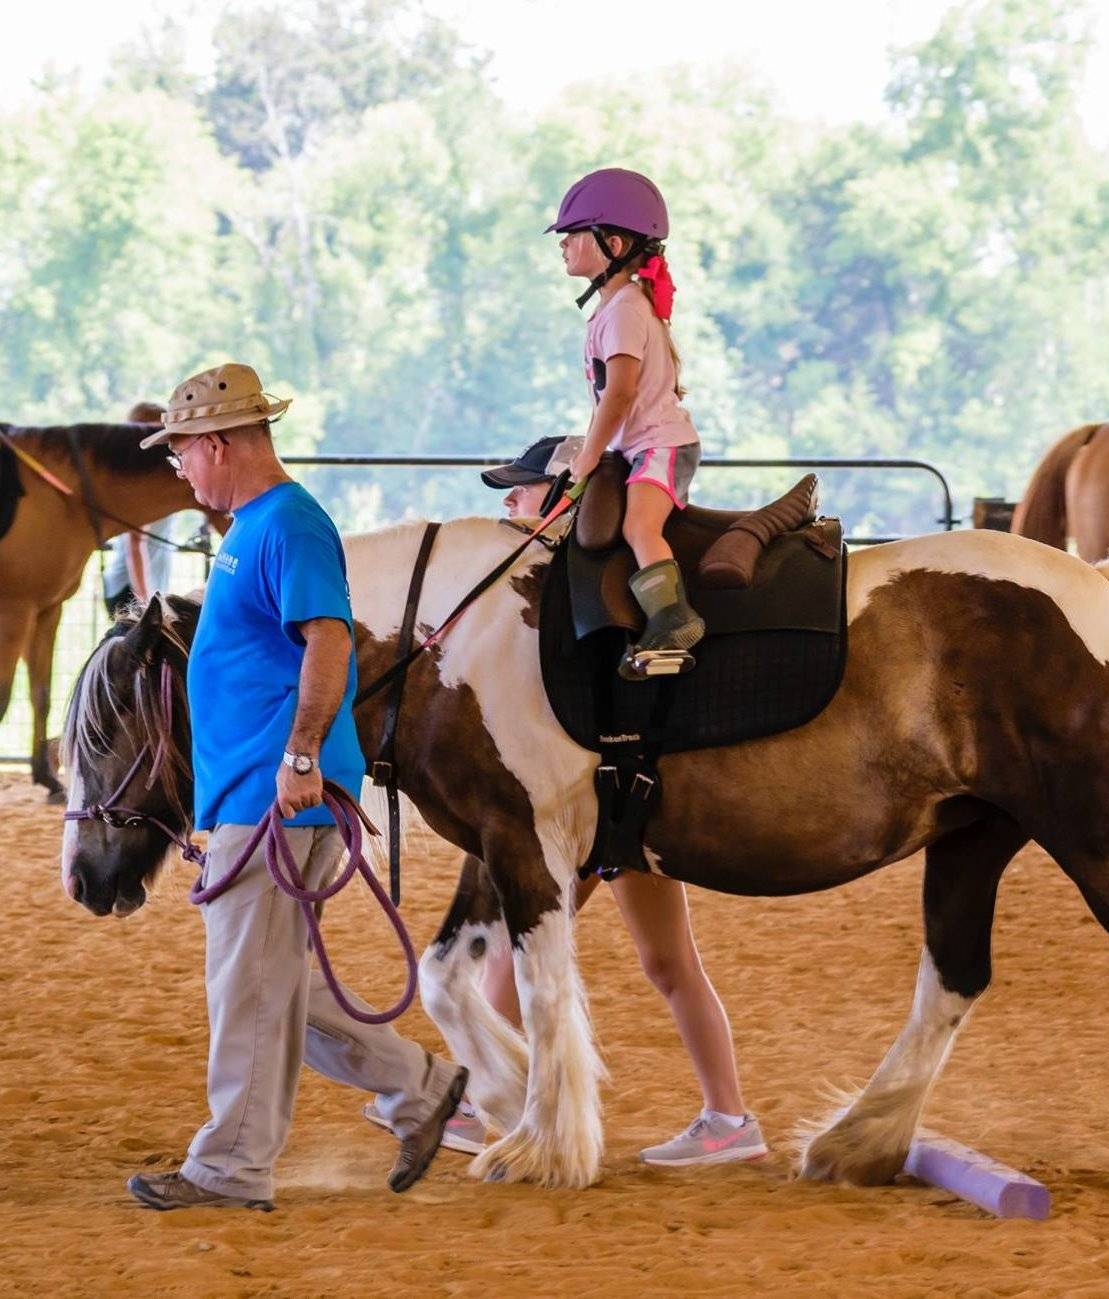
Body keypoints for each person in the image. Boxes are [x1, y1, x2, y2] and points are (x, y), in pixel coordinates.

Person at [125, 363, 466, 1212]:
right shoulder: (254, 526)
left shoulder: (288, 524)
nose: (178, 469)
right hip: (257, 789)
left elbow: (330, 639)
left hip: (276, 793)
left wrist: (302, 756)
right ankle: (420, 1086)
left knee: (247, 986)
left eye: (181, 452)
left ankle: (229, 1168)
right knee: (278, 983)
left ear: (218, 443)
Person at [378, 434, 766, 1168]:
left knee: (523, 953)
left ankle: (467, 1106)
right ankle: (728, 1116)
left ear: (562, 496)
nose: (507, 503)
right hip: (623, 806)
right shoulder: (566, 589)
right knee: (664, 963)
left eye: (522, 491)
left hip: (592, 811)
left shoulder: (570, 590)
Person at [548, 167, 706, 679]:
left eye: (575, 235)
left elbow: (618, 395)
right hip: (639, 446)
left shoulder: (624, 311)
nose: (564, 245)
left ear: (612, 243)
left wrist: (589, 457)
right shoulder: (615, 307)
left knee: (639, 525)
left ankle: (673, 619)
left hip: (661, 445)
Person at [103, 403, 174, 617]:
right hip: (130, 588)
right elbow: (135, 543)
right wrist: (146, 603)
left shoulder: (156, 474)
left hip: (146, 584)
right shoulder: (139, 481)